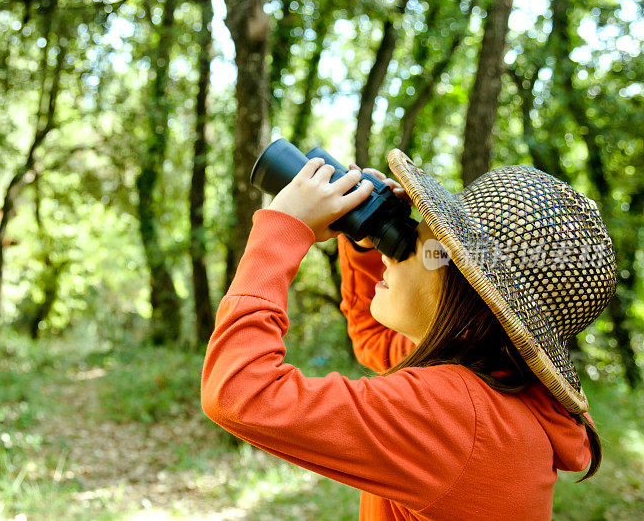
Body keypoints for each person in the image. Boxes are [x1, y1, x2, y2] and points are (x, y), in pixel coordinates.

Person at [200, 149, 618, 520]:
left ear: (471, 289)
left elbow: (241, 391)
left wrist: (285, 228)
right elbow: (373, 340)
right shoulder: (501, 387)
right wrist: (363, 241)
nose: (392, 254)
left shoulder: (453, 413)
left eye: (422, 246)